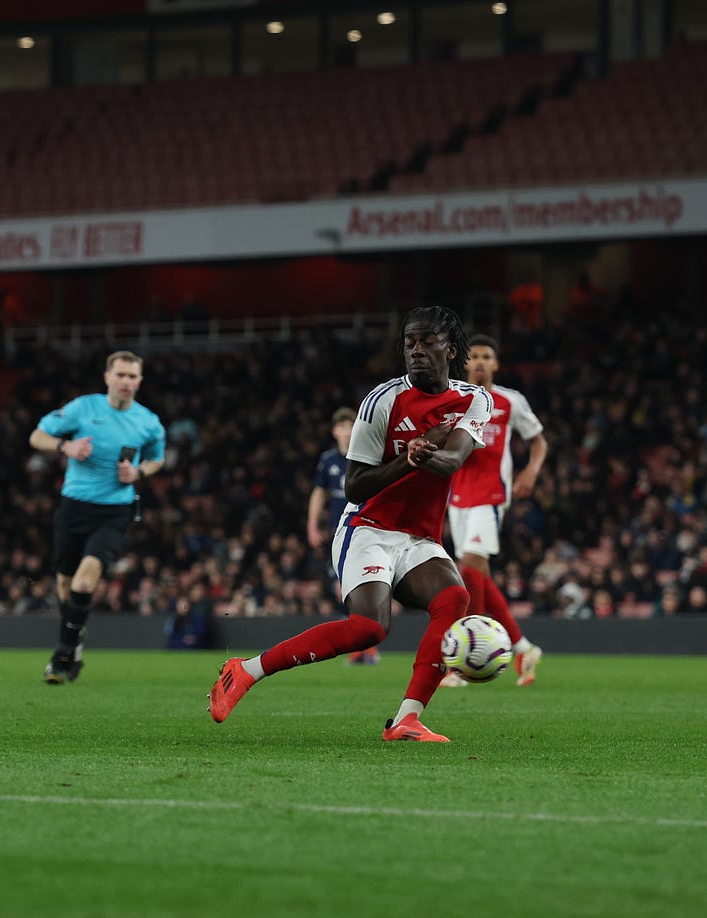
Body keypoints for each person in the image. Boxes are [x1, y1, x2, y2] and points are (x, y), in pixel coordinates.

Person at [207, 305, 491, 742]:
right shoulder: (381, 401)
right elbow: (356, 484)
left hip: (418, 537)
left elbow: (454, 457)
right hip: (368, 527)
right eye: (409, 343)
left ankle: (406, 719)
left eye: (427, 341)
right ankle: (244, 670)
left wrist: (425, 451)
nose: (416, 350)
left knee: (454, 599)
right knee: (370, 628)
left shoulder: (475, 398)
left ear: (450, 347)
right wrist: (407, 460)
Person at [29, 350, 166, 684]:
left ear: (140, 381)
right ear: (107, 377)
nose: (126, 382)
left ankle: (62, 655)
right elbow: (37, 436)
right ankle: (74, 643)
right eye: (120, 375)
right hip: (74, 506)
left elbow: (157, 459)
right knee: (64, 584)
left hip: (114, 510)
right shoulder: (83, 407)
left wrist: (138, 474)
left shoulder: (148, 422)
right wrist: (66, 448)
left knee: (84, 579)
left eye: (132, 376)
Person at [442, 334, 548, 687]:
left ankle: (465, 662)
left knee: (468, 567)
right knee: (477, 576)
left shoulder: (509, 400)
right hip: (457, 496)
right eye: (474, 356)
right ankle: (524, 647)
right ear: (465, 362)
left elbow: (538, 440)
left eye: (488, 356)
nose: (481, 362)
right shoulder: (452, 397)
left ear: (496, 363)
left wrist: (531, 471)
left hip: (490, 495)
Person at [307, 406, 377, 665]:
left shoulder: (367, 454)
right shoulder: (329, 460)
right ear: (335, 431)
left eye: (351, 426)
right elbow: (318, 493)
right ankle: (362, 647)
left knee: (354, 589)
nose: (347, 432)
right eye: (342, 427)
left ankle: (364, 647)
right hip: (337, 534)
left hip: (364, 529)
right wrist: (312, 525)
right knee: (343, 591)